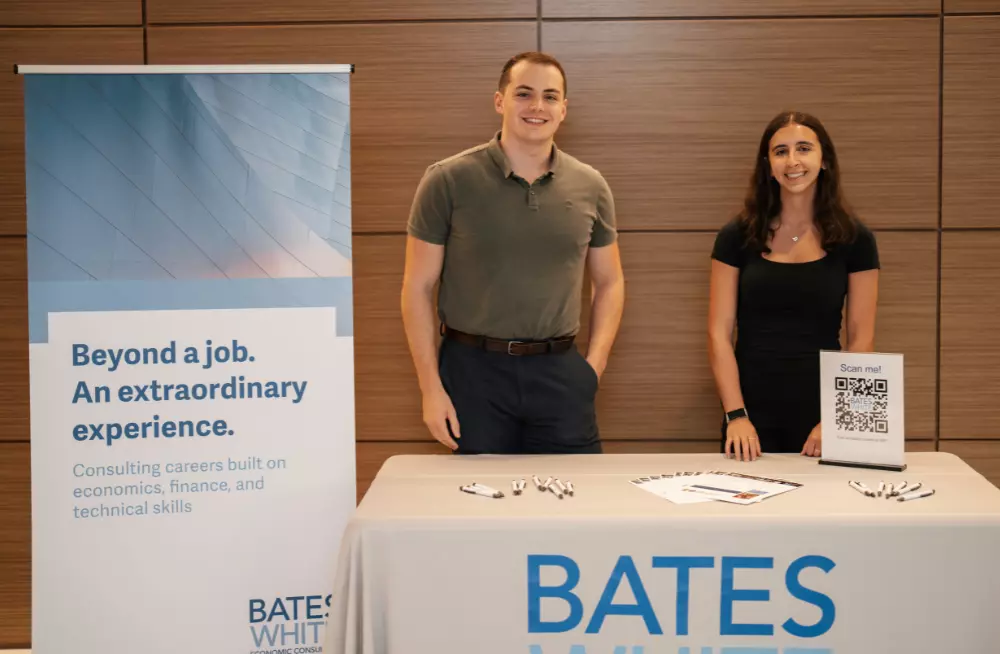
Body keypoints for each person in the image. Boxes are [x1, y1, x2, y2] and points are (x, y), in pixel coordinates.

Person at [400, 51, 625, 455]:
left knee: (574, 507)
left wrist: (594, 368)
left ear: (563, 109)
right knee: (483, 511)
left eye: (550, 96)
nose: (537, 106)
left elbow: (610, 282)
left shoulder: (591, 185)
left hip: (560, 371)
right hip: (472, 373)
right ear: (500, 101)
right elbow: (417, 287)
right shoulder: (447, 180)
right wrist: (430, 388)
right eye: (524, 94)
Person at [708, 110, 880, 462]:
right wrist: (736, 416)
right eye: (780, 151)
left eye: (804, 148)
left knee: (831, 513)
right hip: (750, 415)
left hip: (824, 412)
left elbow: (861, 339)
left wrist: (836, 419)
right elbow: (717, 334)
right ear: (768, 164)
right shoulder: (736, 236)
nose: (793, 161)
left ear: (824, 160)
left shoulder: (856, 239)